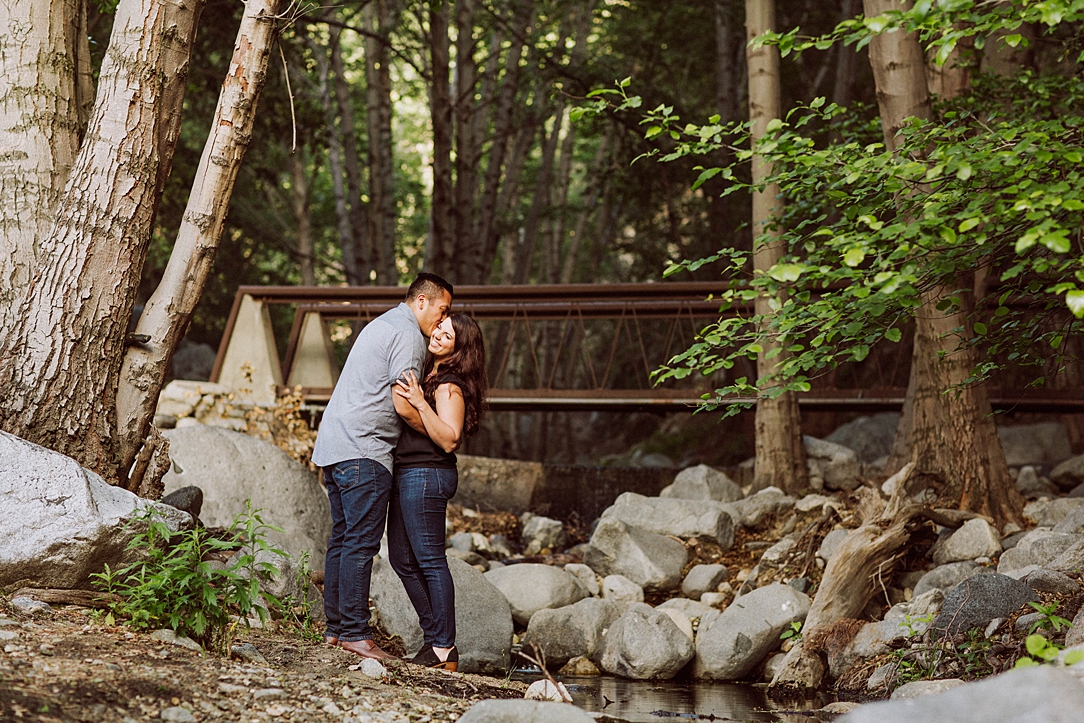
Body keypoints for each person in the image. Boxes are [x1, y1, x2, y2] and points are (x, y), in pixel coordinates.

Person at [312, 273, 453, 661]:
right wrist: (438, 435)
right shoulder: (408, 334)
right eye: (442, 310)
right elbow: (404, 402)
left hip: (335, 445)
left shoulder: (383, 323)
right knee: (359, 543)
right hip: (365, 451)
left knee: (342, 539)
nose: (442, 321)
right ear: (421, 301)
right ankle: (356, 635)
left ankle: (337, 631)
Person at [388, 313, 488, 672]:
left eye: (449, 333)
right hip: (407, 473)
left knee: (430, 560)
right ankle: (437, 640)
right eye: (440, 327)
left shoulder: (449, 386)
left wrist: (418, 401)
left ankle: (444, 647)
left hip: (428, 474)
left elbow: (449, 438)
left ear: (461, 347)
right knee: (401, 559)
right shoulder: (427, 372)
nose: (440, 333)